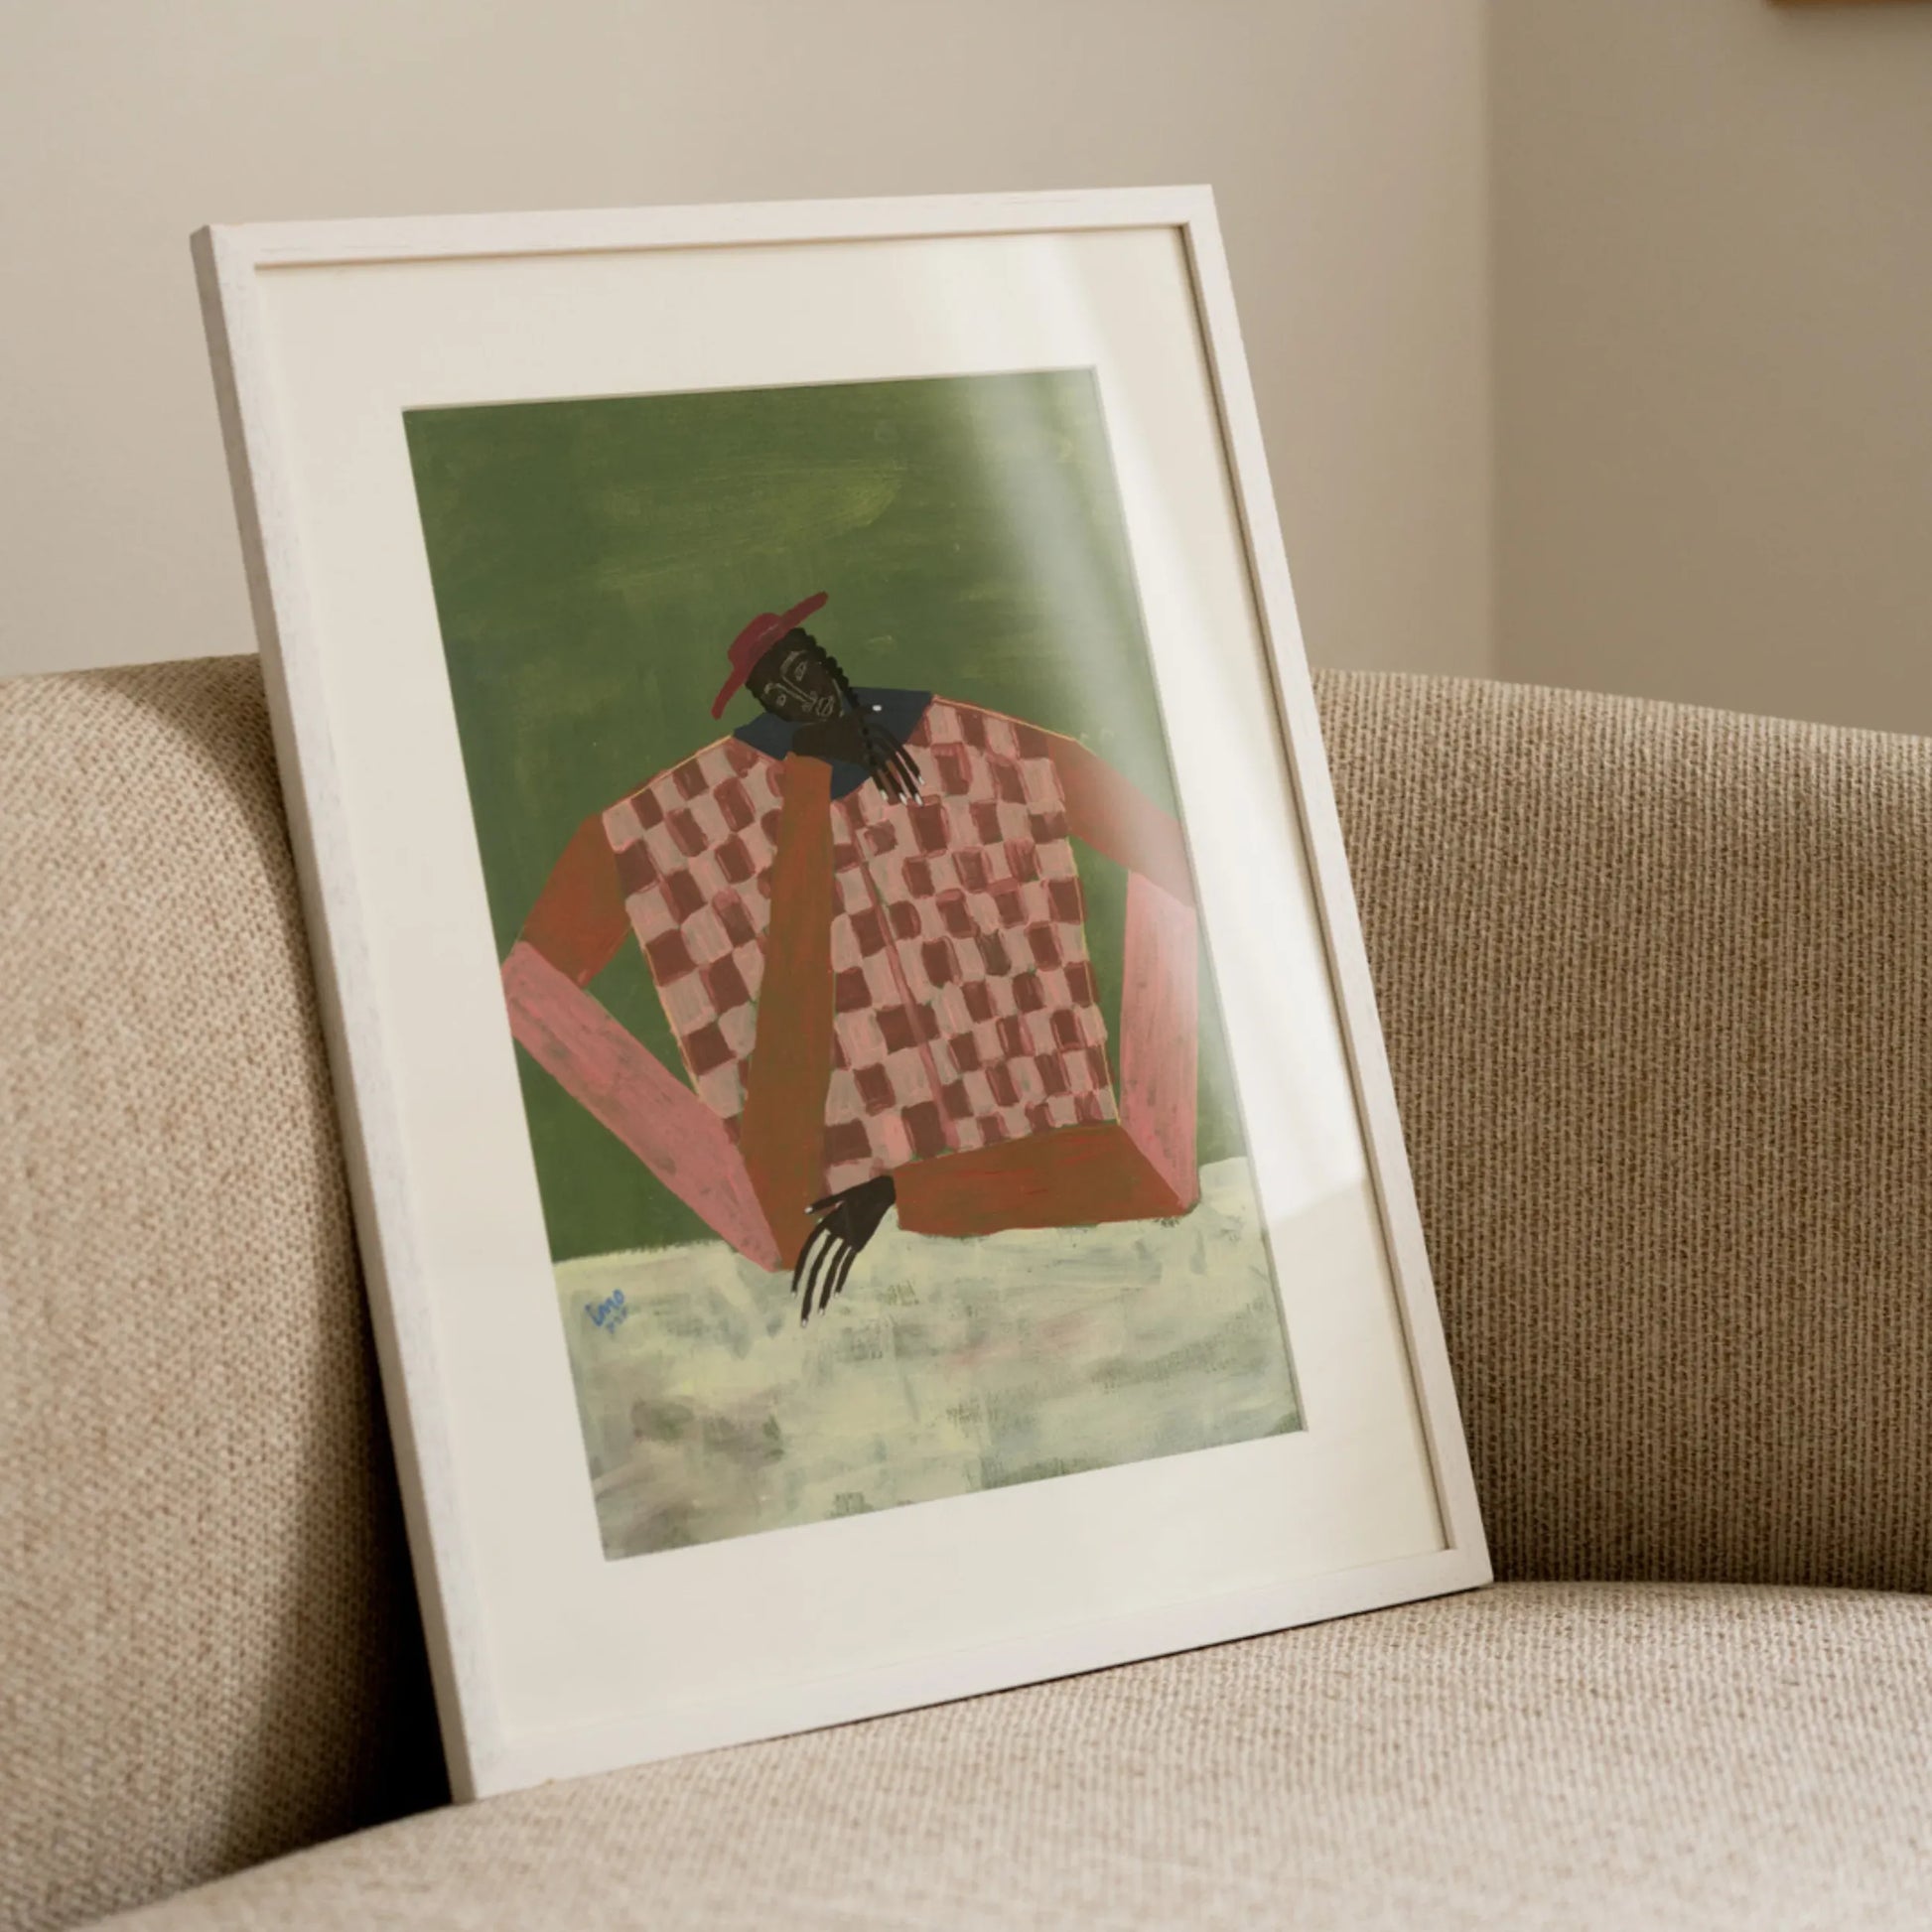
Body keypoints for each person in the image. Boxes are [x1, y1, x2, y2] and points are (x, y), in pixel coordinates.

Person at [501, 593, 1201, 1320]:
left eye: (800, 665)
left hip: (1052, 1183)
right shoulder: (689, 815)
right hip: (842, 1249)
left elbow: (1182, 862)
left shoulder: (982, 748)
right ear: (763, 704)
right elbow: (528, 988)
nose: (798, 691)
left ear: (823, 656)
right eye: (775, 689)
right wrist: (714, 1170)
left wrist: (1145, 1107)